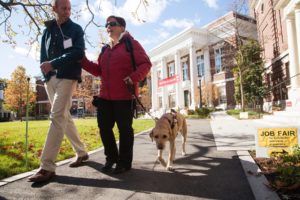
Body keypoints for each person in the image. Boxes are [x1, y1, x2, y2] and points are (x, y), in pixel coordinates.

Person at [81, 15, 151, 174]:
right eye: (106, 24)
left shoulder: (131, 44)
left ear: (122, 27)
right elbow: (99, 70)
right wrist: (84, 61)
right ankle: (111, 157)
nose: (108, 27)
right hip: (105, 97)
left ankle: (124, 162)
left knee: (125, 130)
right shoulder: (105, 49)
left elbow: (146, 64)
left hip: (124, 96)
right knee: (104, 127)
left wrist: (133, 78)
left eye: (112, 24)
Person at [28, 0, 89, 183]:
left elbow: (78, 52)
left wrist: (53, 63)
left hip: (68, 76)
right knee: (64, 116)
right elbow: (43, 57)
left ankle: (47, 166)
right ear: (54, 9)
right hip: (50, 79)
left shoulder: (76, 29)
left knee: (56, 116)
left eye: (69, 8)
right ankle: (82, 152)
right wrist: (46, 75)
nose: (67, 11)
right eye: (63, 8)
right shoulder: (47, 31)